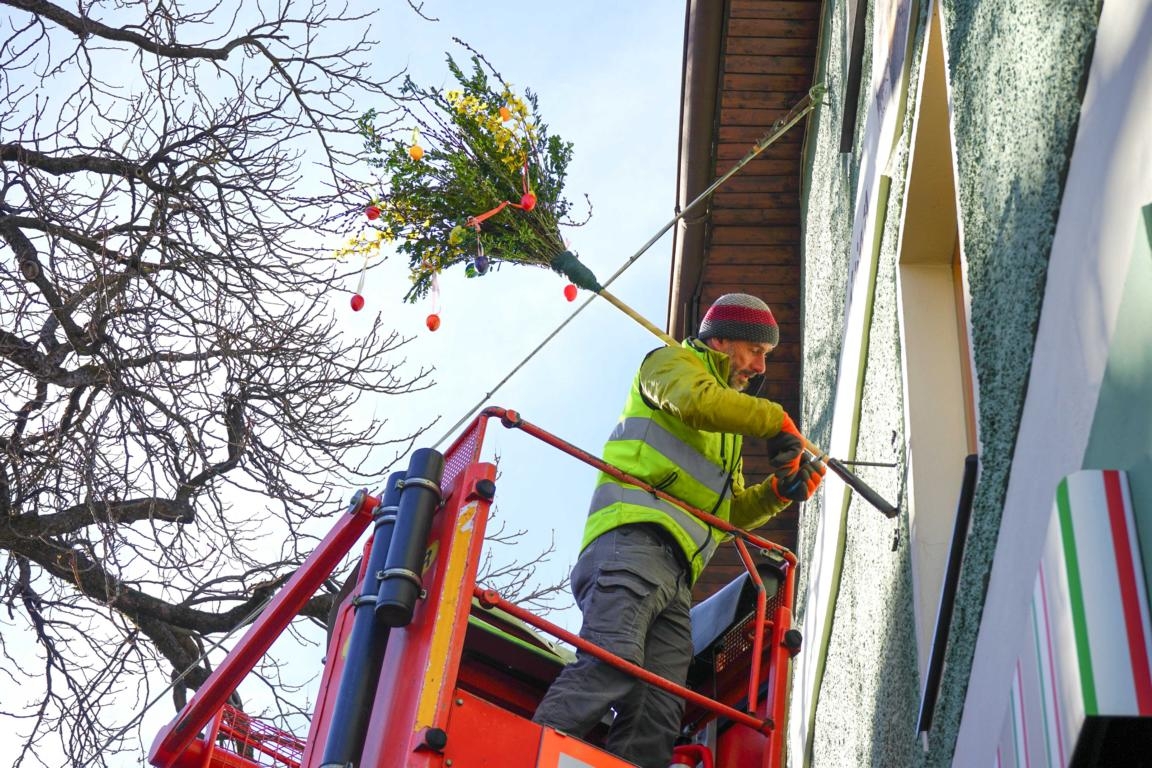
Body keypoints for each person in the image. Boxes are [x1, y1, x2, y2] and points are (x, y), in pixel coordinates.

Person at [532, 293, 825, 768]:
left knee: (659, 707)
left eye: (766, 357)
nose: (759, 365)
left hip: (677, 574)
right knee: (613, 658)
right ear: (724, 337)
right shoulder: (669, 363)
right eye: (755, 350)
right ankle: (524, 756)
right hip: (633, 542)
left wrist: (779, 491)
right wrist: (773, 420)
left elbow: (725, 518)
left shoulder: (727, 429)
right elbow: (695, 401)